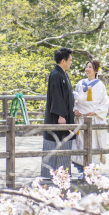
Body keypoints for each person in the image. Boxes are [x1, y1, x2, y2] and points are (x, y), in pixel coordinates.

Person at [41, 48, 75, 178]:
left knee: (64, 143)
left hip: (65, 114)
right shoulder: (56, 75)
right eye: (70, 60)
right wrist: (61, 115)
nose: (71, 62)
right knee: (56, 141)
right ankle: (53, 173)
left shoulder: (63, 74)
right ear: (63, 60)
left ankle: (63, 173)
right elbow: (57, 97)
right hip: (58, 117)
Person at [72, 60, 109, 178]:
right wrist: (75, 110)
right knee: (79, 144)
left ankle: (93, 171)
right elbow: (74, 100)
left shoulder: (100, 85)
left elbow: (105, 102)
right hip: (80, 118)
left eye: (90, 67)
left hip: (93, 118)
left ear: (96, 70)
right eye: (86, 66)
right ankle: (82, 171)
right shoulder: (80, 83)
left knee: (93, 144)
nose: (87, 69)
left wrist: (95, 112)